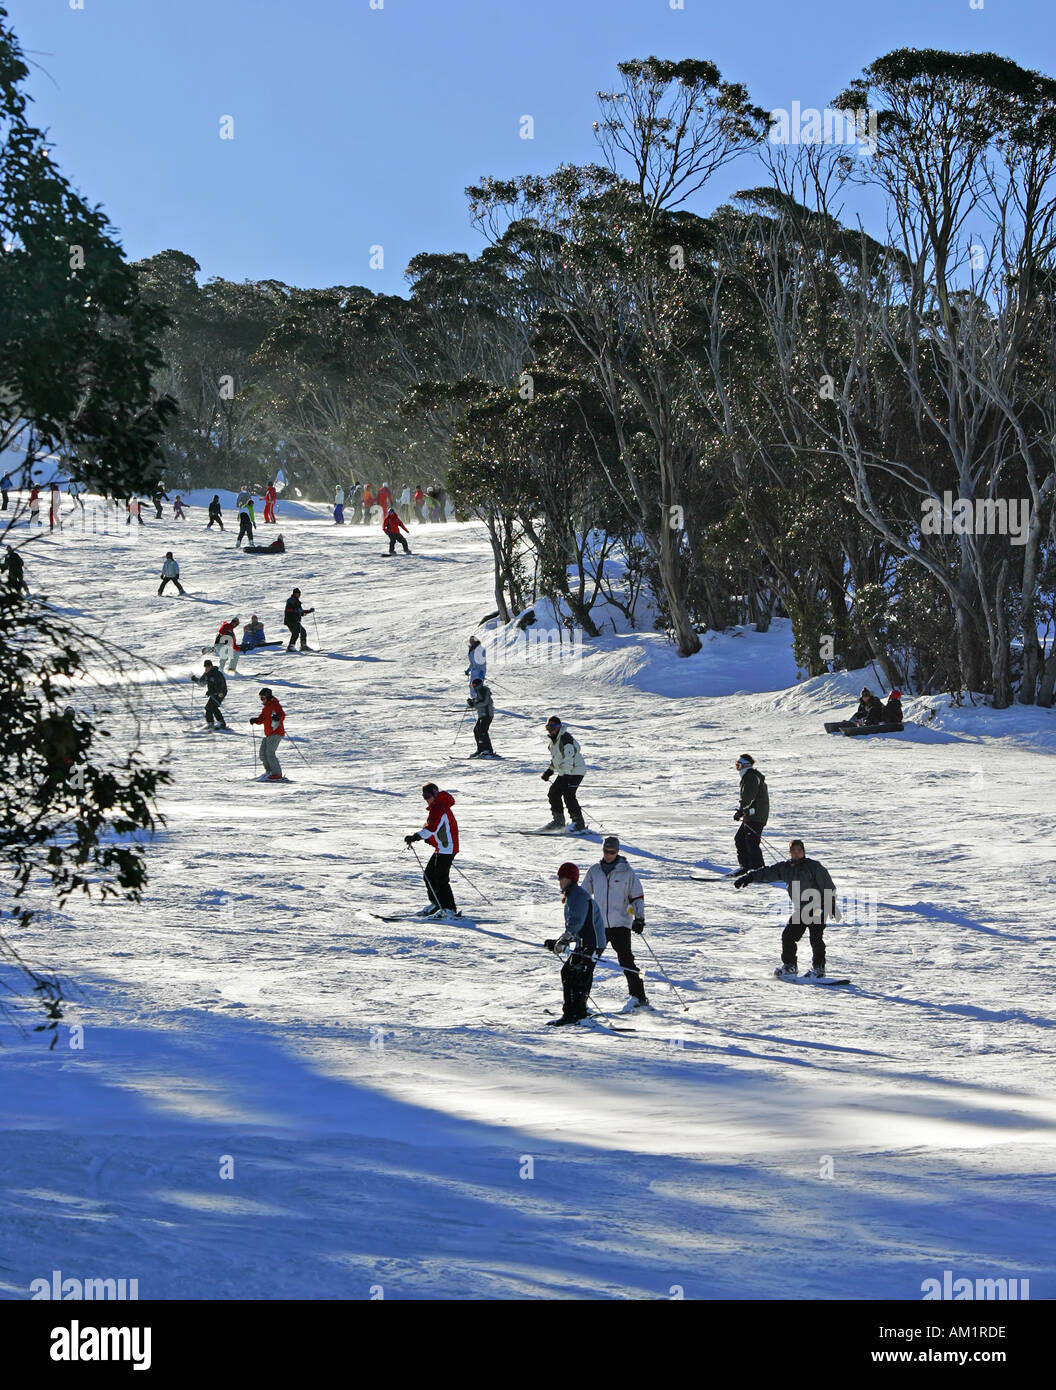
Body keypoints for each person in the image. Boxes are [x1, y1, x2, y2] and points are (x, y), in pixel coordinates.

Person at [735, 838, 840, 980]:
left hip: (818, 908)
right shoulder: (785, 868)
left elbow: (828, 885)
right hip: (803, 910)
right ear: (790, 853)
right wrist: (749, 877)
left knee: (815, 937)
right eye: (793, 851)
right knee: (788, 936)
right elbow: (768, 872)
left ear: (804, 852)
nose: (796, 854)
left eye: (799, 851)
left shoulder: (814, 867)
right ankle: (790, 967)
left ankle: (818, 969)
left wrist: (831, 904)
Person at [583, 836, 648, 1010]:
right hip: (599, 926)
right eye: (606, 851)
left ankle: (639, 997)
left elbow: (637, 897)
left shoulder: (627, 872)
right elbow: (583, 896)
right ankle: (580, 998)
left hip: (621, 925)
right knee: (589, 961)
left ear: (618, 851)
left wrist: (639, 918)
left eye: (612, 852)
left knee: (627, 961)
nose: (608, 854)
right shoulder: (594, 871)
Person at [543, 862, 607, 1026]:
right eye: (559, 878)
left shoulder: (578, 896)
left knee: (574, 974)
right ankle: (578, 1011)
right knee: (571, 973)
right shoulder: (573, 894)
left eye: (562, 878)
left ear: (571, 878)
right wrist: (558, 941)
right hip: (585, 942)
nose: (560, 881)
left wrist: (562, 941)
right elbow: (575, 926)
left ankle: (573, 1014)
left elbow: (575, 924)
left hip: (592, 943)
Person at [404, 783, 459, 918]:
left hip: (448, 848)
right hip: (443, 847)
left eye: (428, 796)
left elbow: (432, 828)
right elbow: (438, 828)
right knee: (428, 875)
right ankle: (436, 904)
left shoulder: (439, 808)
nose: (426, 799)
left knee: (441, 879)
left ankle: (449, 909)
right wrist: (429, 839)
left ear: (434, 794)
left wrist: (416, 836)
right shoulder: (437, 807)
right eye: (424, 797)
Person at [541, 715, 587, 832]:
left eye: (553, 727)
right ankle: (558, 822)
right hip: (566, 772)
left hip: (575, 770)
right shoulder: (554, 742)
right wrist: (549, 771)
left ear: (559, 727)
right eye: (548, 727)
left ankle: (578, 823)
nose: (550, 730)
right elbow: (557, 759)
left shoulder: (565, 739)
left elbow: (568, 759)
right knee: (553, 793)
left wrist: (566, 776)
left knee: (568, 795)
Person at [733, 753, 769, 871]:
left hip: (756, 816)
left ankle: (758, 870)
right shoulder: (749, 776)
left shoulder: (751, 777)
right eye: (736, 765)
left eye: (738, 765)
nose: (737, 768)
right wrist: (743, 811)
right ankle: (746, 867)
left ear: (745, 765)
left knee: (751, 842)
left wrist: (741, 810)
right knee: (740, 839)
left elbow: (748, 796)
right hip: (752, 815)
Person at [249, 686, 285, 780]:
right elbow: (262, 718)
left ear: (268, 697)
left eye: (263, 698)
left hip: (276, 732)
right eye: (260, 698)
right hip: (269, 733)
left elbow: (282, 714)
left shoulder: (275, 705)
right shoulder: (266, 708)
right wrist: (256, 720)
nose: (262, 700)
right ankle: (269, 772)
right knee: (262, 754)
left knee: (270, 753)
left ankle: (277, 773)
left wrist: (278, 717)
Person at [191, 659, 228, 729]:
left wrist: (213, 692)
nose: (206, 668)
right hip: (214, 693)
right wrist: (195, 679)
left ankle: (216, 724)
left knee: (211, 707)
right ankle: (216, 723)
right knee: (211, 707)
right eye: (205, 667)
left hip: (221, 693)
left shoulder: (217, 674)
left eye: (208, 667)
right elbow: (201, 683)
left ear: (211, 666)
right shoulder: (206, 674)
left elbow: (220, 686)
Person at [466, 677, 496, 757]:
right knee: (477, 731)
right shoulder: (480, 691)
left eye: (473, 684)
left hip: (486, 715)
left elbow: (484, 702)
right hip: (483, 715)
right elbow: (479, 700)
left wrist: (474, 704)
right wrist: (472, 702)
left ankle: (488, 750)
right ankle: (481, 749)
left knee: (482, 731)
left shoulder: (482, 690)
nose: (473, 686)